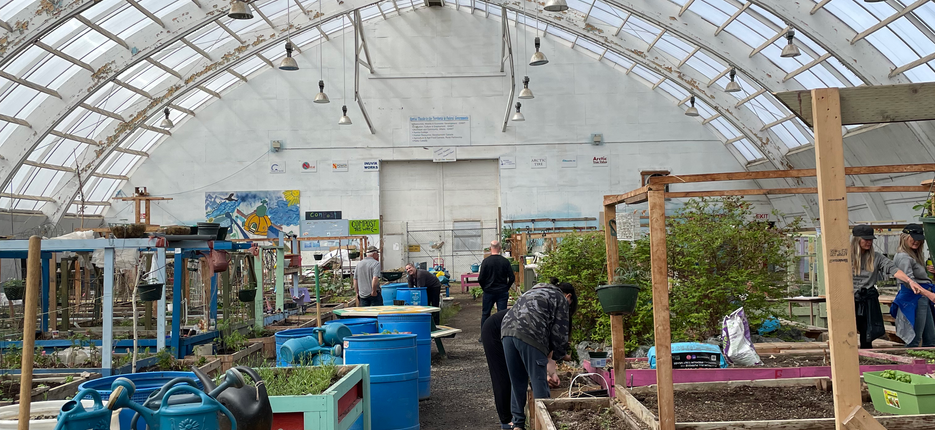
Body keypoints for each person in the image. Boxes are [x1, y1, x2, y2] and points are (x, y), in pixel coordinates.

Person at [500, 280, 577, 430]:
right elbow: (560, 334)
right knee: (539, 381)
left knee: (517, 381)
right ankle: (545, 425)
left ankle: (518, 425)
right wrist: (559, 355)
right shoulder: (560, 298)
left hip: (507, 331)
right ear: (568, 296)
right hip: (531, 333)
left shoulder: (534, 291)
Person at [851, 225, 923, 349]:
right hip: (849, 298)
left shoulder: (876, 257)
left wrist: (909, 281)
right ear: (857, 240)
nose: (869, 242)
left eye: (871, 239)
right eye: (866, 239)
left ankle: (866, 354)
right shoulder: (846, 257)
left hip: (868, 298)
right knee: (847, 330)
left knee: (867, 332)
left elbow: (893, 269)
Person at [891, 224, 935, 347]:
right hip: (914, 297)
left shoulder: (913, 255)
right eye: (913, 238)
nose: (917, 241)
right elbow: (908, 281)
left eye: (919, 239)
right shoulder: (903, 257)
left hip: (921, 297)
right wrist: (928, 294)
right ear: (904, 237)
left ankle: (926, 359)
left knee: (930, 338)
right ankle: (909, 358)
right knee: (914, 338)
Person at [478, 240, 515, 331]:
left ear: (490, 248)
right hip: (502, 291)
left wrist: (485, 288)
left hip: (489, 291)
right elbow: (512, 278)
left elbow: (480, 279)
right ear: (500, 248)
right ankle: (501, 334)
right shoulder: (505, 261)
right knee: (502, 314)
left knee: (486, 313)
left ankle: (484, 334)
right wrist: (506, 288)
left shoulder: (486, 261)